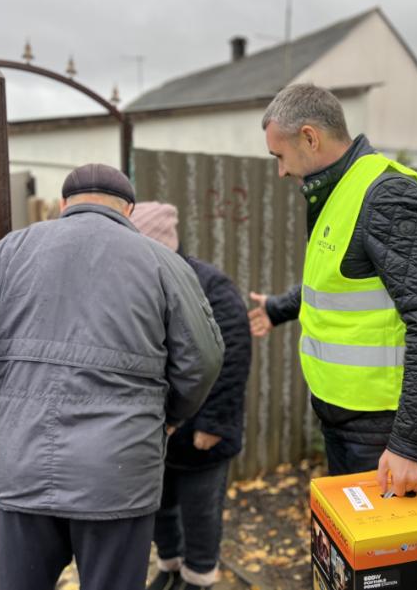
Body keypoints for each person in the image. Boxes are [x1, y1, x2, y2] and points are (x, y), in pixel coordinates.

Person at [0, 164, 225, 590]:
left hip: (23, 466)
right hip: (119, 476)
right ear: (129, 209)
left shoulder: (9, 252)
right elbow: (204, 360)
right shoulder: (164, 264)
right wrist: (168, 415)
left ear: (64, 204)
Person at [248, 84, 417, 496]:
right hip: (340, 417)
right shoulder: (337, 191)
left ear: (310, 137)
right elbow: (339, 280)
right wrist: (279, 308)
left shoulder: (387, 195)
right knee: (351, 550)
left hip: (382, 430)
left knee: (386, 558)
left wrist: (413, 444)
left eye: (279, 156)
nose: (280, 171)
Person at [130, 202, 251, 590]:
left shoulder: (210, 287)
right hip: (156, 431)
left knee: (201, 511)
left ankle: (198, 578)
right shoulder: (134, 286)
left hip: (201, 433)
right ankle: (170, 567)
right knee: (160, 507)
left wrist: (214, 423)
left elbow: (231, 356)